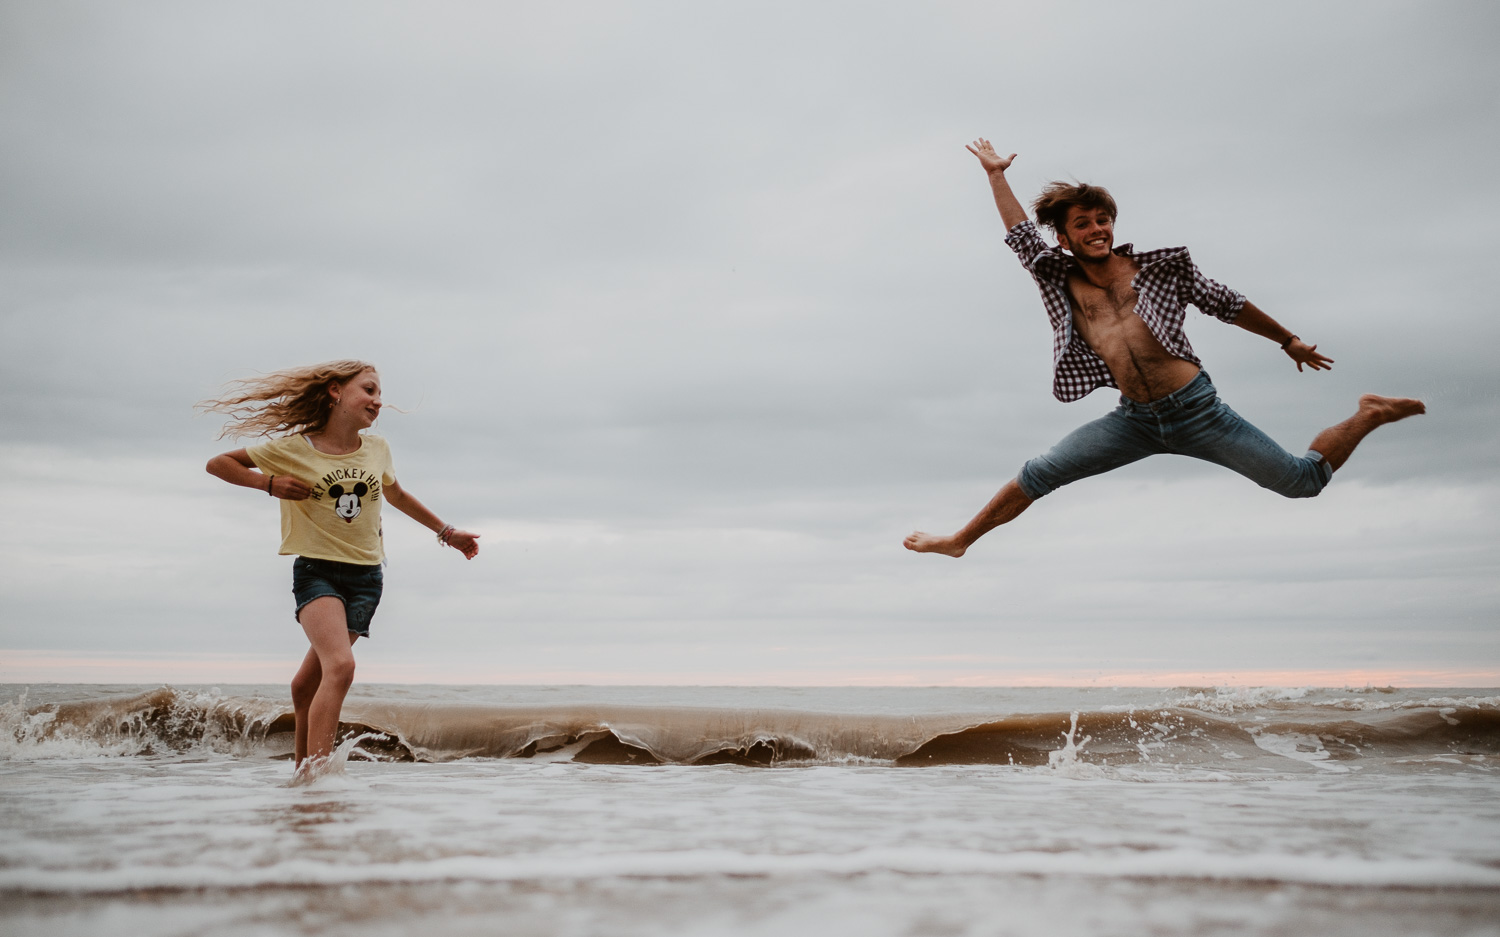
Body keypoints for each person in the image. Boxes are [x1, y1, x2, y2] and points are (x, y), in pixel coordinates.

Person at [905, 139, 1425, 558]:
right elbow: (1021, 234)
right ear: (1064, 238)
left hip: (1199, 412)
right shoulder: (1054, 276)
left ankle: (1369, 412)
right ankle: (958, 542)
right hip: (1132, 419)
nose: (1096, 230)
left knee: (1302, 481)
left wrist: (1287, 339)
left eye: (1101, 220)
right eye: (1082, 224)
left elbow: (1226, 302)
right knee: (1041, 472)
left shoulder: (1160, 269)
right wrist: (996, 173)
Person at [202, 360, 479, 772]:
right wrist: (269, 483)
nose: (378, 401)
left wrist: (447, 532)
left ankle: (301, 776)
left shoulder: (377, 449)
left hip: (367, 577)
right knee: (341, 666)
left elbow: (396, 495)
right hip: (318, 572)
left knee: (308, 683)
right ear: (335, 392)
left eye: (379, 394)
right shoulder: (294, 448)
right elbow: (219, 463)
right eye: (369, 391)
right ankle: (317, 781)